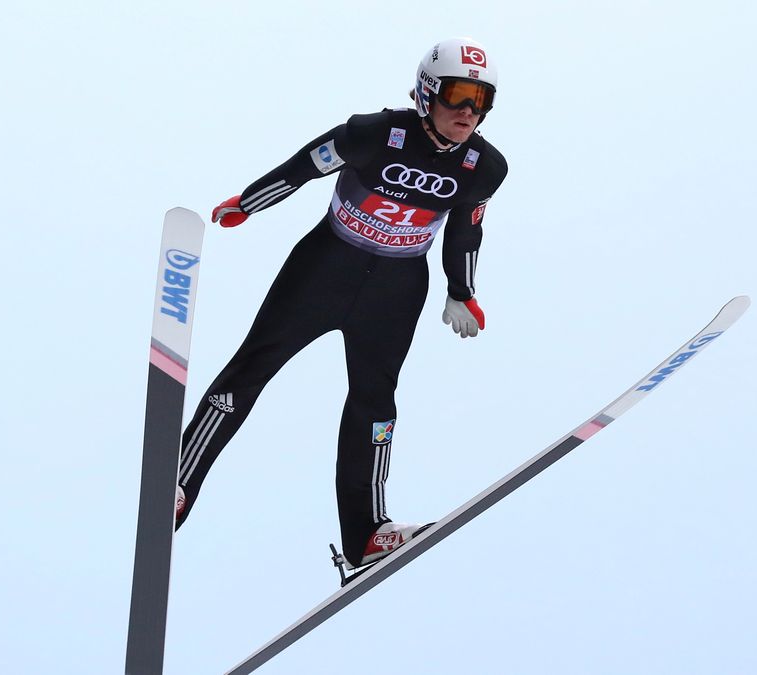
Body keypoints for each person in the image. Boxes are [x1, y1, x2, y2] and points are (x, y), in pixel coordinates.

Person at [174, 37, 508, 570]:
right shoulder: (373, 134)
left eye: (482, 100)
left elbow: (467, 229)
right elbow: (303, 166)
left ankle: (367, 532)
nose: (468, 112)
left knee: (375, 403)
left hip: (396, 291)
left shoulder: (483, 167)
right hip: (326, 267)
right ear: (427, 93)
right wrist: (247, 203)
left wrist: (461, 290)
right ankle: (181, 482)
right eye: (458, 95)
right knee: (254, 364)